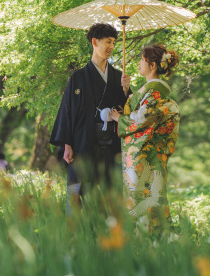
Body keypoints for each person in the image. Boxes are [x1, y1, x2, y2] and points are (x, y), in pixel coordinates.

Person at [49, 23, 131, 205]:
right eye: (108, 42)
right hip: (83, 141)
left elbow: (128, 111)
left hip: (110, 143)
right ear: (95, 42)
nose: (111, 47)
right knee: (78, 191)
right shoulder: (78, 77)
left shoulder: (119, 77)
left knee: (108, 194)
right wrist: (67, 144)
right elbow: (67, 110)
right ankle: (77, 231)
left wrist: (126, 91)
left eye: (114, 43)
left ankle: (105, 231)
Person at [108, 44, 180, 229]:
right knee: (147, 195)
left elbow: (142, 118)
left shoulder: (156, 91)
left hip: (147, 156)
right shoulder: (150, 90)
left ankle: (149, 237)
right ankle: (153, 237)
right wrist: (126, 90)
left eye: (142, 59)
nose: (139, 62)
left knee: (145, 195)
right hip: (149, 155)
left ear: (152, 65)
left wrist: (118, 119)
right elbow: (138, 109)